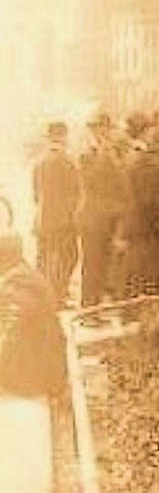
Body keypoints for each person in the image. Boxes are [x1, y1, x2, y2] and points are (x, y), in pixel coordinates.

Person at [0, 206, 66, 493]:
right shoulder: (21, 276)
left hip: (24, 386)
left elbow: (9, 339)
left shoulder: (18, 284)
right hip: (29, 378)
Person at [77, 113, 127, 308]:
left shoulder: (113, 153)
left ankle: (97, 305)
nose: (105, 133)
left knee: (105, 264)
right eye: (100, 129)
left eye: (107, 129)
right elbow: (90, 180)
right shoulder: (87, 155)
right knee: (92, 265)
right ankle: (89, 307)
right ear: (93, 131)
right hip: (92, 218)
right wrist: (105, 155)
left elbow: (120, 184)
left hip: (109, 218)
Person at [32, 122, 81, 306]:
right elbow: (76, 191)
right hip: (63, 220)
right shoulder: (67, 161)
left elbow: (36, 195)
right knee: (68, 257)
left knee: (43, 259)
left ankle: (41, 298)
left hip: (42, 220)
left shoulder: (39, 161)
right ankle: (58, 297)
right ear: (63, 136)